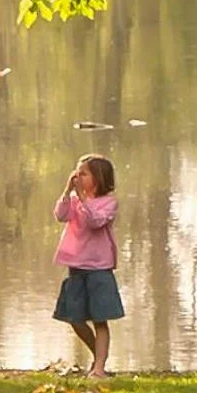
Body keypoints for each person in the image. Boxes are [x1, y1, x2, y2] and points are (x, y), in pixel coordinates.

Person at [52, 153, 123, 378]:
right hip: (76, 266)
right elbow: (60, 215)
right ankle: (98, 358)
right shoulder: (73, 200)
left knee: (100, 319)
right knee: (74, 318)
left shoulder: (109, 203)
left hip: (99, 269)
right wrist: (67, 192)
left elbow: (95, 222)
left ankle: (99, 368)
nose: (78, 177)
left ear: (98, 178)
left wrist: (83, 200)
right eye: (77, 173)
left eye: (83, 174)